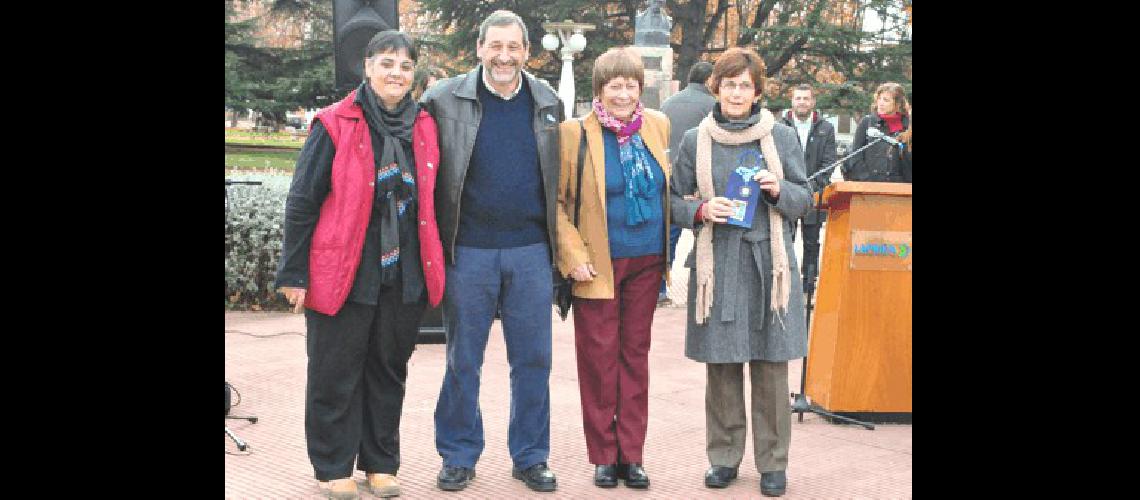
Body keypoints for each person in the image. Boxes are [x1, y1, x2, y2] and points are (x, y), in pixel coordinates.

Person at [275, 30, 445, 500]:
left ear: (415, 75)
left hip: (404, 270)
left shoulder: (425, 125)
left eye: (406, 66)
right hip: (343, 270)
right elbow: (302, 202)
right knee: (335, 371)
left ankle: (380, 464)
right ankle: (333, 466)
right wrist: (293, 274)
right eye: (387, 63)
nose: (396, 73)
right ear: (367, 67)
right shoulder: (332, 124)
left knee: (388, 371)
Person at [418, 9, 565, 493]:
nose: (504, 56)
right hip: (469, 252)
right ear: (479, 48)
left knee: (534, 361)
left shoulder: (547, 102)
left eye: (514, 47)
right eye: (495, 46)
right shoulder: (442, 99)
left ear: (527, 52)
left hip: (530, 252)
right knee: (464, 359)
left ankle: (531, 456)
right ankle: (459, 454)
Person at [669, 47, 811, 498]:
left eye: (744, 85)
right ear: (716, 87)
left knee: (771, 368)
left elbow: (805, 199)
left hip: (771, 265)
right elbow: (672, 203)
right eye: (728, 84)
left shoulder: (783, 137)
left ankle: (773, 463)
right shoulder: (696, 139)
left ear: (757, 90)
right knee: (723, 367)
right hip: (719, 264)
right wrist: (703, 208)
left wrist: (777, 191)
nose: (736, 92)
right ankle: (724, 457)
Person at [555, 46, 671, 490]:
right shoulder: (575, 133)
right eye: (614, 85)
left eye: (630, 84)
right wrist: (574, 257)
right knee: (599, 361)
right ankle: (604, 454)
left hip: (646, 261)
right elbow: (561, 204)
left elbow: (666, 188)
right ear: (599, 90)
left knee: (635, 359)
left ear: (641, 87)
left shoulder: (657, 126)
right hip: (597, 265)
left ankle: (632, 454)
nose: (623, 93)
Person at [658, 61, 716, 305]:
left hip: (669, 176)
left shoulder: (668, 103)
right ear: (710, 80)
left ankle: (660, 287)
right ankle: (704, 291)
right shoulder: (713, 106)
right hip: (700, 183)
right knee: (705, 238)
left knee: (668, 237)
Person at [779, 84, 836, 289]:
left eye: (806, 98)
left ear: (813, 102)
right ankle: (786, 283)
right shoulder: (780, 126)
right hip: (787, 194)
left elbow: (829, 162)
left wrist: (811, 186)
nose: (802, 102)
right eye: (798, 98)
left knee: (812, 242)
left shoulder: (826, 128)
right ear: (792, 101)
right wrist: (790, 188)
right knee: (786, 239)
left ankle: (809, 284)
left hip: (814, 194)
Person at [842, 82, 911, 183]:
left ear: (897, 104)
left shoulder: (907, 127)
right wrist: (867, 180)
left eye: (886, 100)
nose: (881, 103)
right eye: (879, 98)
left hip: (900, 189)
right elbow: (856, 156)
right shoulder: (867, 123)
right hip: (869, 187)